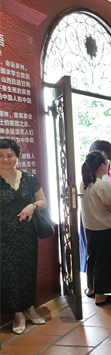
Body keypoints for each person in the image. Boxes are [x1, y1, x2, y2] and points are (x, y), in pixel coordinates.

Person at [0, 139, 48, 334]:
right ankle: (18, 314)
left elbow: (42, 201)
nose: (5, 159)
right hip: (3, 237)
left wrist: (32, 206)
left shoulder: (29, 179)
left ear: (17, 157)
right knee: (9, 274)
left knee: (28, 271)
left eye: (9, 155)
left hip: (27, 234)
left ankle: (30, 308)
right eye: (0, 155)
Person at [80, 150, 111, 306]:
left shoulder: (84, 183)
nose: (108, 165)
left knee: (92, 258)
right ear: (101, 166)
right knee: (105, 262)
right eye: (107, 162)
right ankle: (101, 295)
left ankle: (91, 289)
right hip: (106, 229)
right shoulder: (103, 185)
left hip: (90, 228)